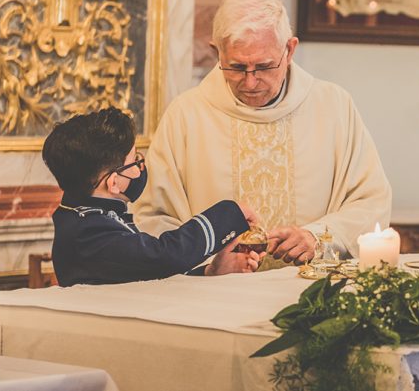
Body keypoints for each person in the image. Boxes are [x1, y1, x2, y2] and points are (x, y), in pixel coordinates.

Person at [133, 0, 391, 265]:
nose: (251, 82)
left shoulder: (334, 107)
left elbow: (370, 201)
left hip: (307, 291)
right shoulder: (186, 115)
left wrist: (317, 237)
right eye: (237, 67)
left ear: (289, 50)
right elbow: (152, 217)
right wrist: (210, 264)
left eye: (264, 66)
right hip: (215, 295)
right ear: (216, 52)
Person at [42, 107, 262, 286]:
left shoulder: (85, 215)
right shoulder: (88, 231)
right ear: (114, 183)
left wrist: (210, 272)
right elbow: (165, 256)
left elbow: (141, 281)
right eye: (135, 161)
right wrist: (230, 213)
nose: (141, 168)